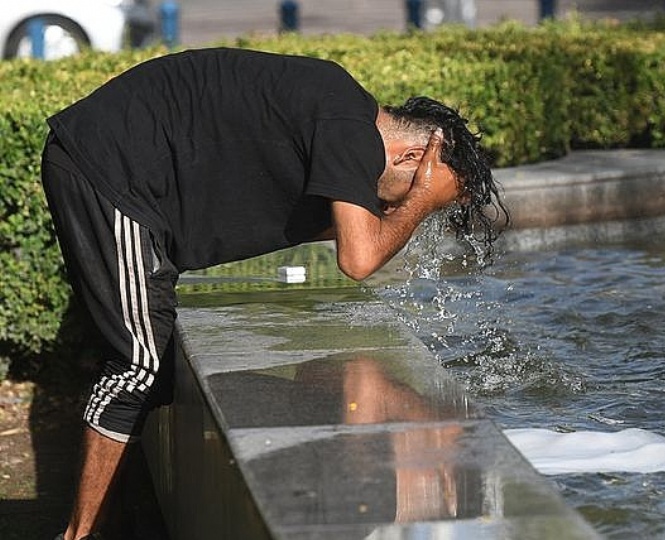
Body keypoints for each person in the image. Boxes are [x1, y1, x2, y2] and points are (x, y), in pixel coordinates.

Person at [41, 47, 508, 540]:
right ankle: (80, 535)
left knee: (153, 370)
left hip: (124, 176)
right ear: (412, 157)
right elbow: (359, 259)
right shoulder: (351, 128)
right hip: (110, 168)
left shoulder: (340, 118)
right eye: (415, 193)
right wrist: (422, 199)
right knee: (139, 366)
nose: (399, 207)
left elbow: (317, 368)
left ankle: (110, 522)